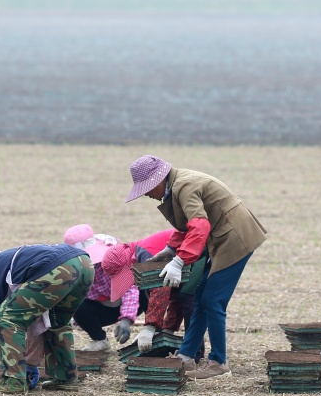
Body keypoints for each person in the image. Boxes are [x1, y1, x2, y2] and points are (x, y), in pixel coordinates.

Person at [125, 155, 266, 380]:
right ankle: (186, 356)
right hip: (221, 237)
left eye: (147, 189)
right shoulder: (178, 184)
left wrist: (179, 261)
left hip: (235, 238)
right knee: (201, 295)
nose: (148, 195)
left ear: (158, 180)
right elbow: (188, 225)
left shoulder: (184, 185)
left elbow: (200, 225)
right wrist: (171, 250)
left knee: (213, 300)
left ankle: (219, 362)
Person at [0, 243, 94, 395]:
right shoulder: (2, 266)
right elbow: (38, 320)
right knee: (54, 320)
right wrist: (30, 364)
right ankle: (66, 377)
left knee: (7, 317)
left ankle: (13, 381)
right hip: (83, 264)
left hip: (59, 266)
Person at [101, 229, 207, 356]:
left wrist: (150, 327)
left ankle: (193, 352)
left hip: (199, 249)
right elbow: (173, 291)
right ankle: (191, 349)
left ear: (128, 263)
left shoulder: (146, 254)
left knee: (189, 298)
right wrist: (168, 329)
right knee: (181, 293)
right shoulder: (139, 255)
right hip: (187, 260)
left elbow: (160, 289)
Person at [63, 224, 144, 352]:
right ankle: (99, 339)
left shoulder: (113, 259)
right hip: (101, 310)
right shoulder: (72, 272)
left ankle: (152, 331)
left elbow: (130, 289)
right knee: (77, 305)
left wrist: (126, 319)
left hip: (132, 305)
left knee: (146, 290)